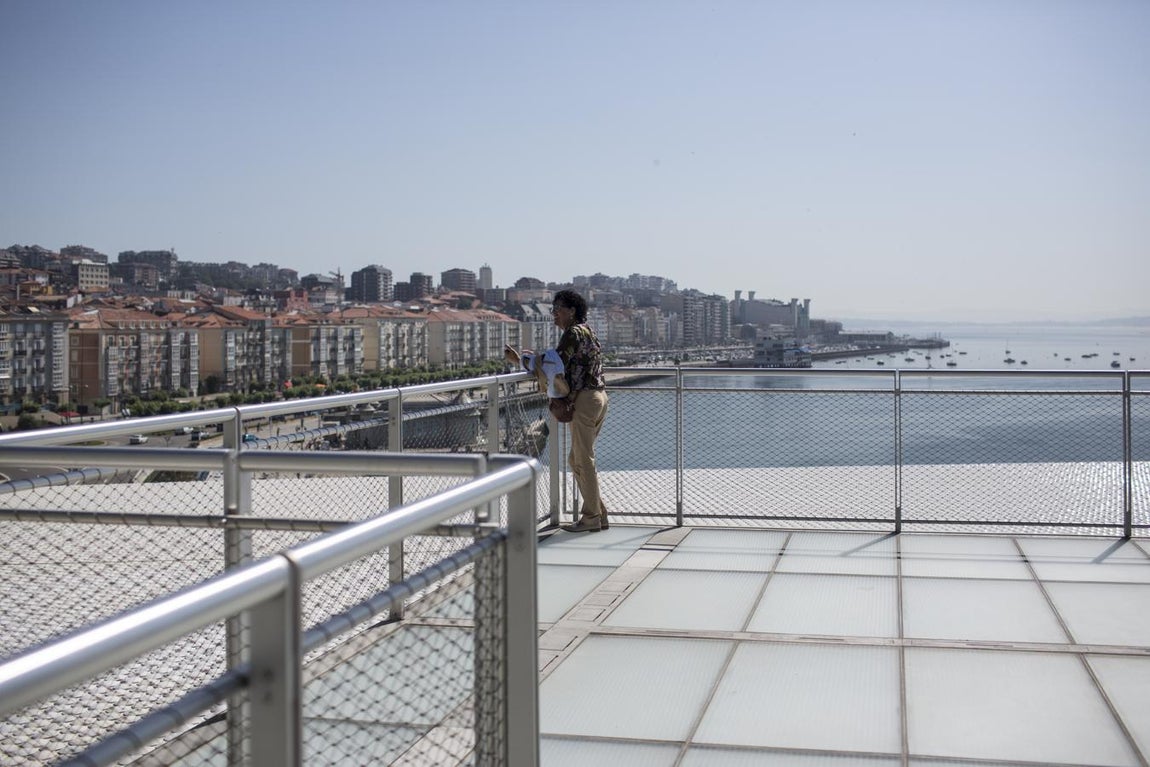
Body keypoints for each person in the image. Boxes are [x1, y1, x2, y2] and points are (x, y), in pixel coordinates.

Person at [550, 289, 610, 533]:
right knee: (576, 459)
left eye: (558, 310)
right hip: (599, 397)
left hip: (585, 400)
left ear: (572, 311)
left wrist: (526, 361)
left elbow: (555, 363)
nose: (554, 315)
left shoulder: (573, 332)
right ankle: (599, 514)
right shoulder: (588, 330)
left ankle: (591, 518)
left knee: (583, 460)